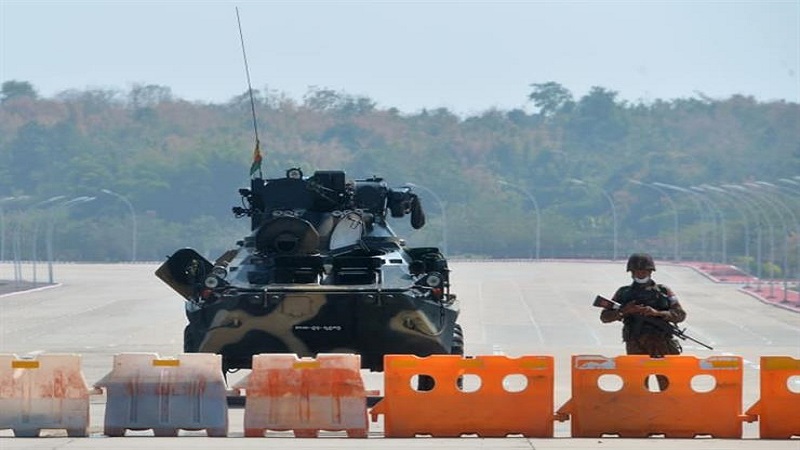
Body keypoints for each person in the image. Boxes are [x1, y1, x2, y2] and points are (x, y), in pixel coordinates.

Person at [600, 253, 687, 390]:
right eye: (636, 271)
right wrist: (624, 311)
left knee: (668, 384)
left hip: (661, 343)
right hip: (635, 343)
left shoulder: (663, 291)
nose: (640, 274)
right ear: (631, 272)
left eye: (644, 271)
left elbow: (680, 315)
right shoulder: (623, 293)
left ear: (651, 272)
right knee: (638, 385)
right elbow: (605, 317)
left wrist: (657, 313)